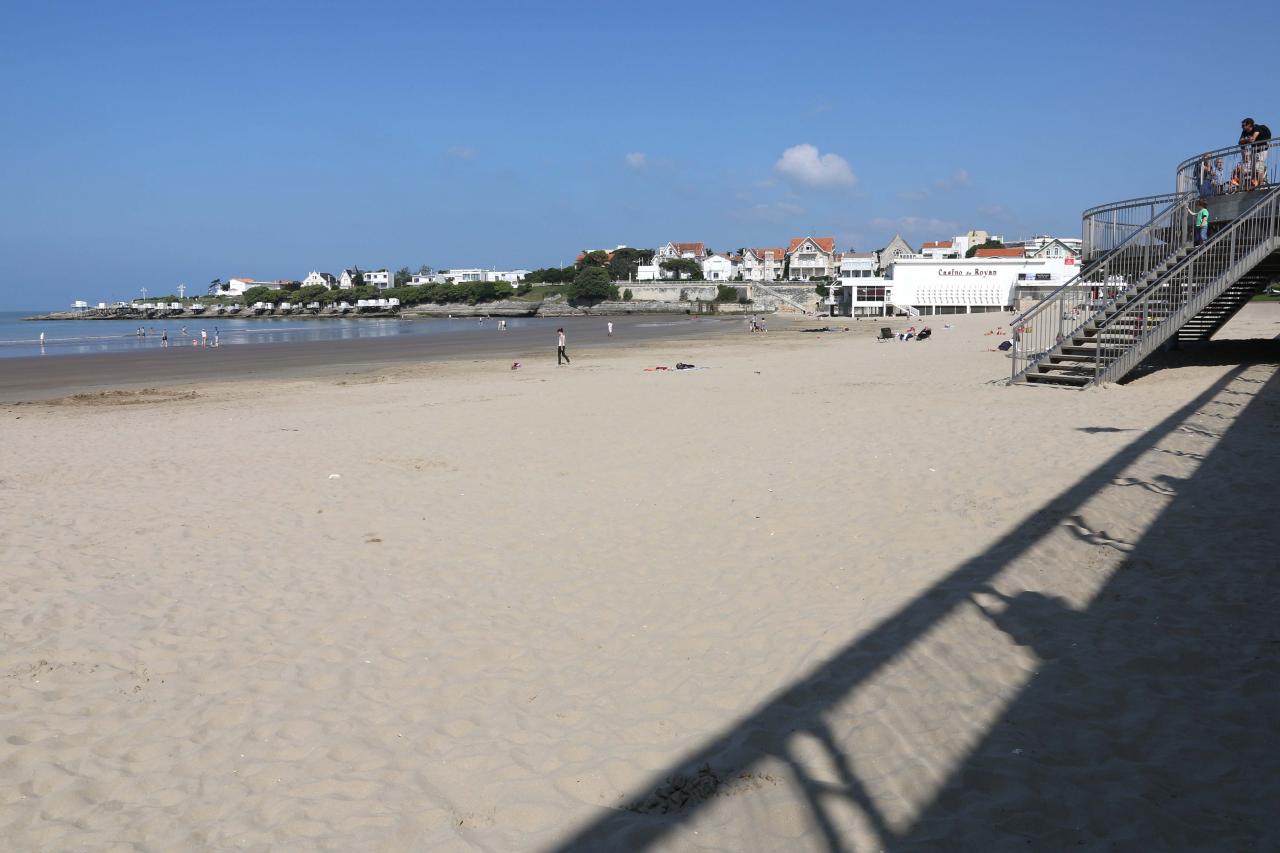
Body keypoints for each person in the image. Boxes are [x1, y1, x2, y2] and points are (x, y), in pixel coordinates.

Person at [1240, 117, 1271, 187]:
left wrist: (1245, 140)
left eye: (1243, 126)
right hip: (1254, 150)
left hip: (1262, 149)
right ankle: (1255, 184)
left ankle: (1261, 185)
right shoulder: (1244, 132)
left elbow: (1253, 139)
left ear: (1249, 125)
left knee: (1259, 167)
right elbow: (1240, 142)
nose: (1242, 127)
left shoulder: (1256, 128)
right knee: (1253, 169)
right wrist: (1248, 139)